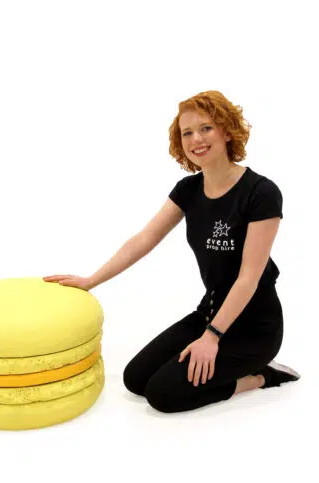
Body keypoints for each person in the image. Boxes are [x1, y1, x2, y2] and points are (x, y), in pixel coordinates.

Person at [43, 90, 300, 413]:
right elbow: (144, 239)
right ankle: (228, 360)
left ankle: (261, 377)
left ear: (226, 131)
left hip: (253, 328)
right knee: (136, 379)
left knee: (163, 395)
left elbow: (249, 277)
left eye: (206, 128)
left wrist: (212, 337)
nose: (196, 139)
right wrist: (91, 280)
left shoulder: (261, 192)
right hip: (208, 313)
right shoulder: (188, 190)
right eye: (186, 132)